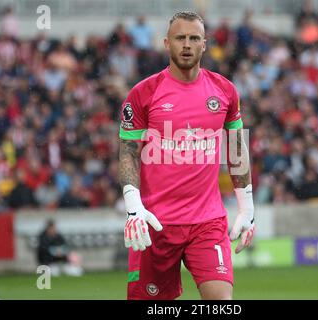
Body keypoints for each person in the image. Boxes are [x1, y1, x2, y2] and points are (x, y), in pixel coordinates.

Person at [119, 11, 255, 300]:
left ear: (204, 44)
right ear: (167, 43)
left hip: (208, 223)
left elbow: (236, 148)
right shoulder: (143, 93)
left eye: (194, 38)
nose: (187, 44)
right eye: (180, 38)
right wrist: (133, 205)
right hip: (156, 223)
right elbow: (128, 152)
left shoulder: (225, 91)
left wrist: (247, 207)